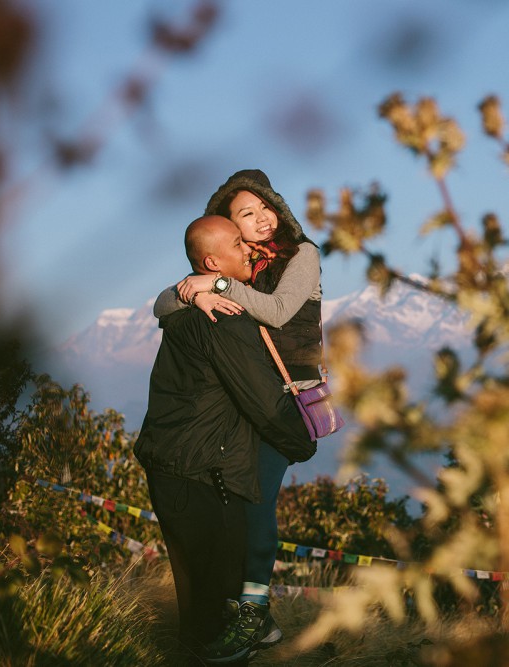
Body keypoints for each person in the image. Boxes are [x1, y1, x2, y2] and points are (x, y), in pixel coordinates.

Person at [153, 169, 324, 661]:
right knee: (242, 505)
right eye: (246, 215)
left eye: (266, 206)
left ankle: (250, 611)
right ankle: (255, 618)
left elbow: (277, 310)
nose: (262, 219)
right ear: (228, 229)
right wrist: (197, 291)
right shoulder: (231, 261)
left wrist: (218, 283)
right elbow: (167, 300)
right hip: (248, 401)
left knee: (254, 502)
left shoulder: (303, 256)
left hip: (284, 402)